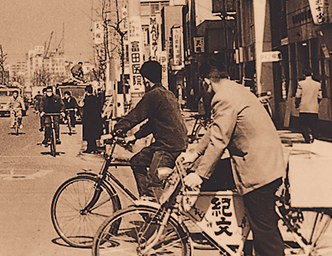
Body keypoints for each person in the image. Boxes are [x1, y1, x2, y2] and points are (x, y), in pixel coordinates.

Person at [180, 57, 286, 256]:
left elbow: (219, 140)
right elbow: (216, 129)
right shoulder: (235, 90)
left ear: (206, 81)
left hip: (259, 169)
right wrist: (194, 152)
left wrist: (200, 174)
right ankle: (234, 239)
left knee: (265, 234)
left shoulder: (224, 98)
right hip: (262, 161)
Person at [112, 60, 187, 200]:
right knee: (136, 161)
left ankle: (154, 213)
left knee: (154, 182)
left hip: (167, 147)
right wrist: (134, 136)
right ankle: (146, 201)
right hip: (173, 143)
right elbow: (154, 123)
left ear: (146, 80)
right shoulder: (167, 93)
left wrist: (116, 130)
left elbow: (135, 115)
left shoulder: (153, 95)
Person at [295, 67, 322, 143]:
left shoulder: (301, 84)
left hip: (304, 108)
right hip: (314, 108)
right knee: (314, 125)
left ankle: (307, 138)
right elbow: (320, 96)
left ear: (304, 75)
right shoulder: (317, 84)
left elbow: (298, 96)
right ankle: (315, 139)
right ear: (312, 74)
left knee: (303, 125)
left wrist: (297, 104)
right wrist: (316, 103)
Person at [81, 85, 104, 154]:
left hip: (88, 119)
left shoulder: (87, 99)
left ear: (86, 91)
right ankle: (94, 148)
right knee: (94, 135)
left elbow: (83, 107)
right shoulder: (96, 98)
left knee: (89, 135)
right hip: (96, 119)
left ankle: (90, 148)